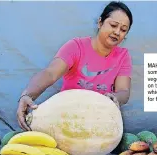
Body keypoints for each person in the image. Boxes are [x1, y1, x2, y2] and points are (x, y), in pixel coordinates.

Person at [17, 1, 133, 131]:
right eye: (113, 25)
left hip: (100, 124)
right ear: (100, 23)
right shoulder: (76, 46)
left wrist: (116, 97)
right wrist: (27, 95)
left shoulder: (123, 56)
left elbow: (124, 91)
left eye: (123, 30)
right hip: (66, 121)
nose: (117, 32)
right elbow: (51, 73)